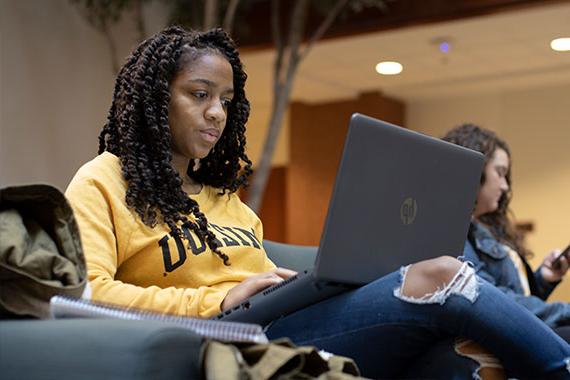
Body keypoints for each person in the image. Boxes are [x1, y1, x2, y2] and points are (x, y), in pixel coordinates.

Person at [65, 26, 570, 379]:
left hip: (278, 323)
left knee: (457, 355)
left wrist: (299, 287)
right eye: (199, 95)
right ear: (156, 99)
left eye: (225, 100)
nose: (217, 113)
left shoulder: (230, 204)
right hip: (215, 337)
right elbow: (83, 295)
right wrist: (216, 300)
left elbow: (264, 285)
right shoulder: (102, 182)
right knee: (439, 274)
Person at [443, 124, 570, 337]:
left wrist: (544, 279)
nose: (504, 186)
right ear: (475, 169)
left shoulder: (482, 227)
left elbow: (515, 296)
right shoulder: (451, 230)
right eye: (500, 173)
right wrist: (565, 310)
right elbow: (492, 298)